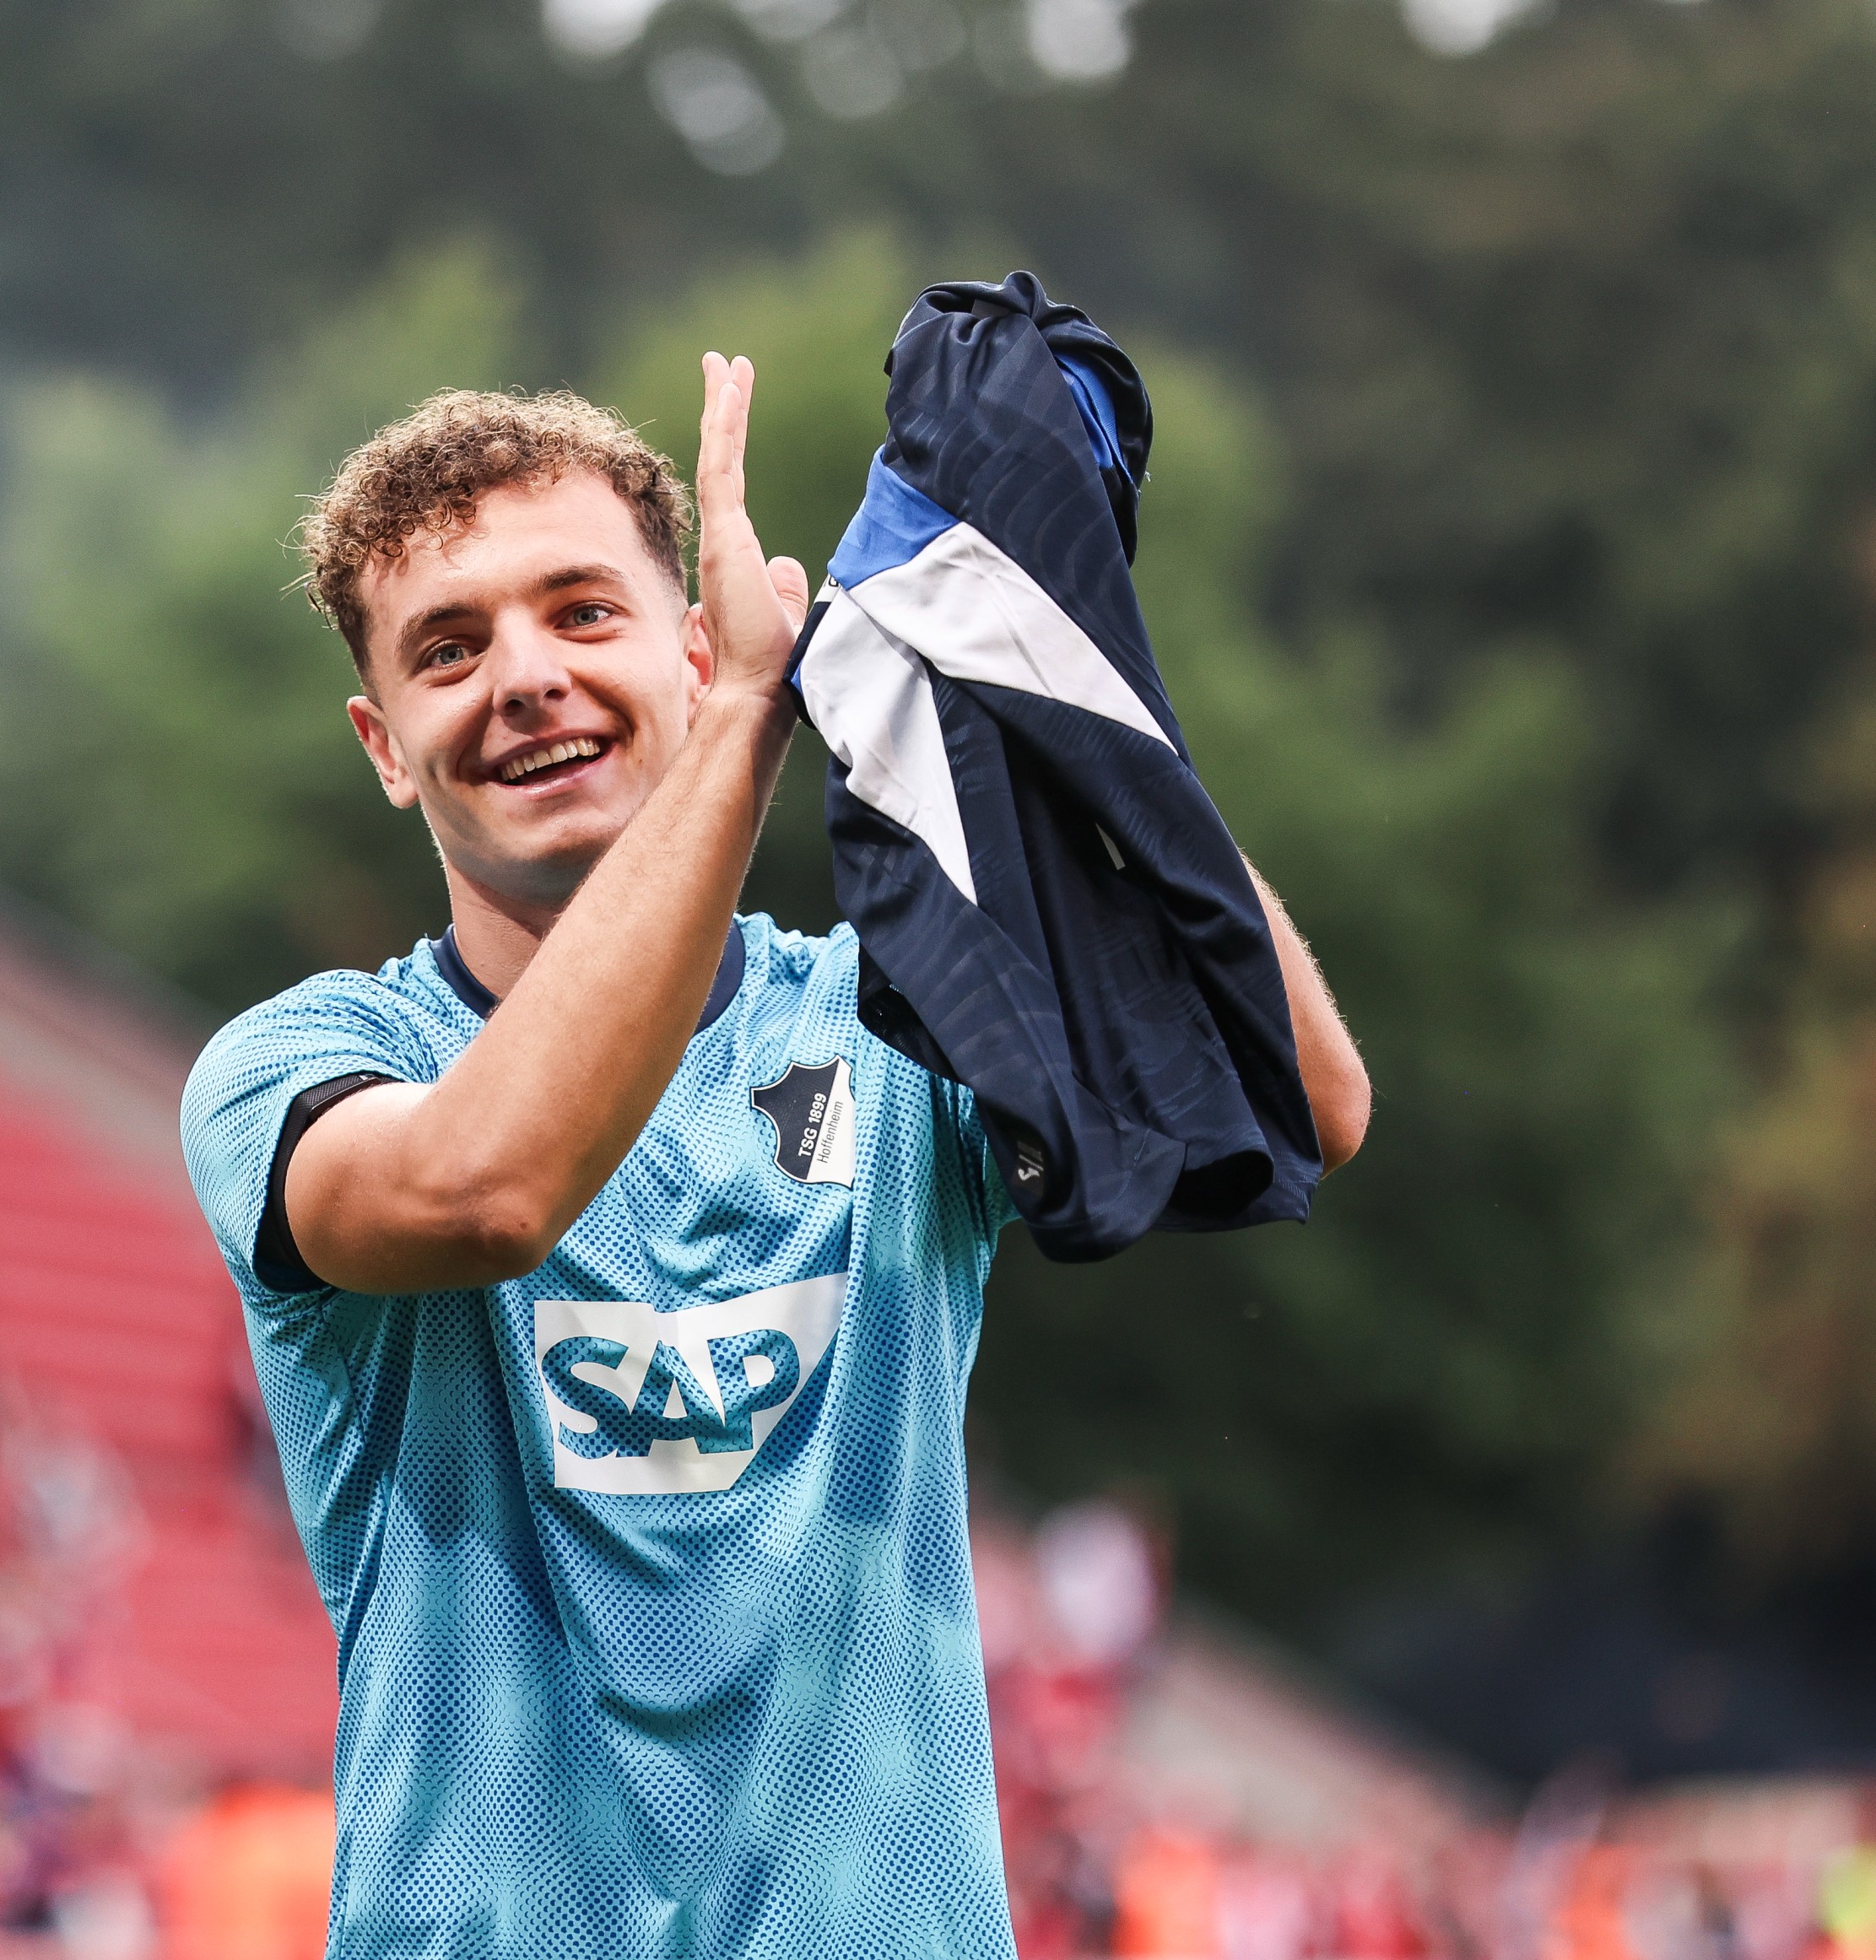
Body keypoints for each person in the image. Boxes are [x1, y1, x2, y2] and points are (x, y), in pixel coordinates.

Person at [179, 368, 1369, 1958]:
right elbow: (487, 1195)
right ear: (384, 745)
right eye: (447, 650)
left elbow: (1294, 1090)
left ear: (684, 642)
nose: (523, 677)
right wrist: (750, 717)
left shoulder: (892, 1015)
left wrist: (1060, 667)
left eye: (580, 612)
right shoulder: (298, 1069)